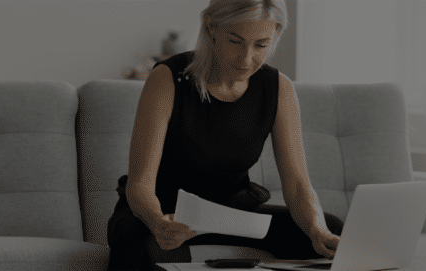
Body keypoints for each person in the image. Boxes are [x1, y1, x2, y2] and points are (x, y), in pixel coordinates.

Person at [106, 0, 343, 269]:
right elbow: (140, 184)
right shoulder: (168, 78)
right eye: (235, 41)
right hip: (159, 212)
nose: (246, 59)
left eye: (261, 45)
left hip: (232, 214)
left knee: (331, 229)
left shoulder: (279, 89)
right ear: (212, 28)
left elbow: (299, 186)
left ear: (275, 36)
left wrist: (317, 229)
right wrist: (158, 222)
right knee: (143, 245)